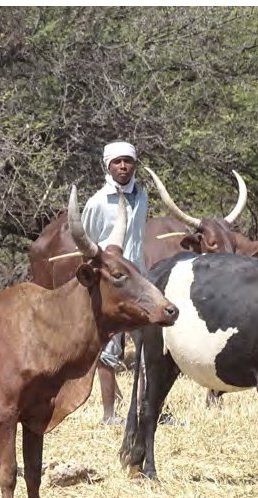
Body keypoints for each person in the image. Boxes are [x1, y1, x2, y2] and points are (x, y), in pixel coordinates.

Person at [81, 141, 149, 425]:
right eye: (117, 162)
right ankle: (110, 415)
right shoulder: (98, 202)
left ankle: (148, 411)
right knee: (108, 348)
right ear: (107, 165)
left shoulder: (142, 196)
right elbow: (85, 239)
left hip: (139, 280)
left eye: (128, 161)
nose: (123, 167)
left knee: (147, 346)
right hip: (110, 283)